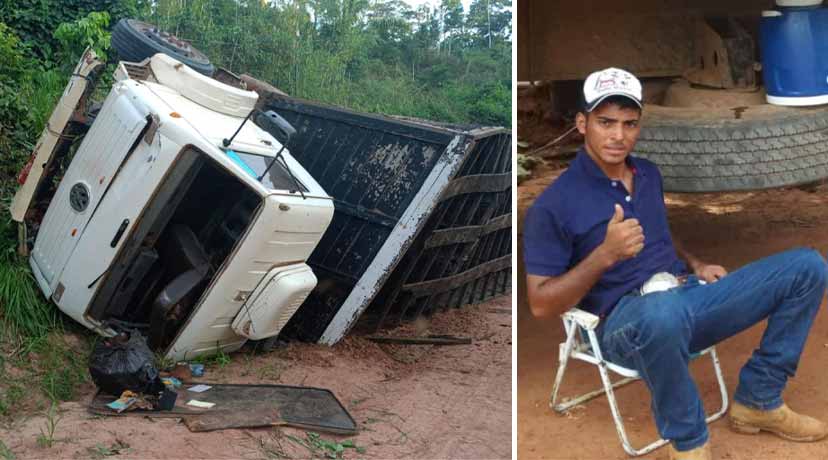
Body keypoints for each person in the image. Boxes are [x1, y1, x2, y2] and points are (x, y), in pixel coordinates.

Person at [523, 67, 828, 460]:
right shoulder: (552, 205)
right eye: (606, 122)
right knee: (662, 313)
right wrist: (605, 254)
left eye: (629, 124)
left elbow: (658, 230)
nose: (618, 135)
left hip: (685, 297)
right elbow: (541, 303)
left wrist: (696, 263)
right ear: (582, 124)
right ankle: (689, 443)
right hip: (622, 327)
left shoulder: (647, 174)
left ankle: (760, 399)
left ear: (639, 126)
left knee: (807, 267)